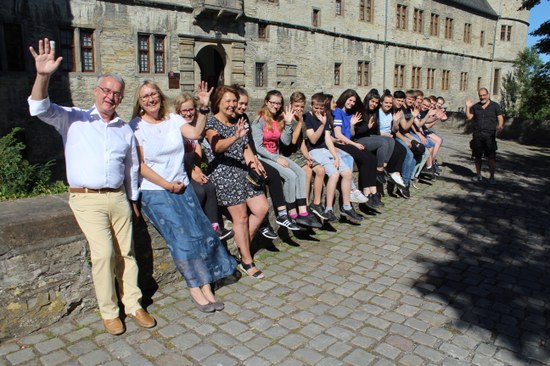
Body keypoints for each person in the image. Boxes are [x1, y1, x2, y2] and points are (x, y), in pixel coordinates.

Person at [28, 38, 155, 335]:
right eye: (106, 91)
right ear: (96, 92)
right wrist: (43, 75)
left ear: (121, 99)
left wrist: (132, 198)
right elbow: (38, 107)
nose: (110, 97)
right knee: (103, 254)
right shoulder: (73, 119)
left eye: (116, 93)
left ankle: (133, 304)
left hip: (118, 198)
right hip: (86, 199)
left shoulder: (125, 129)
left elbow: (131, 169)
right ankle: (110, 311)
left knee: (128, 253)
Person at [130, 80, 237, 313]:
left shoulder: (173, 119)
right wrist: (168, 184)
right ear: (139, 102)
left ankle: (207, 284)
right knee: (182, 240)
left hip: (183, 186)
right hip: (156, 190)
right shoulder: (136, 126)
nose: (150, 99)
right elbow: (140, 166)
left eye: (153, 94)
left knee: (201, 232)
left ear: (160, 96)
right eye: (145, 96)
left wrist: (204, 107)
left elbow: (196, 134)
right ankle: (195, 288)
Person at [205, 86, 269, 279]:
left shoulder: (238, 121)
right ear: (218, 102)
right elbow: (217, 147)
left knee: (261, 208)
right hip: (223, 173)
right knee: (240, 217)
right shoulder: (211, 123)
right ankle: (246, 260)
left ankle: (242, 246)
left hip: (242, 170)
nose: (233, 105)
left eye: (234, 101)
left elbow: (246, 148)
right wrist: (235, 136)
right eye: (228, 101)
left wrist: (254, 163)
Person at [252, 90, 320, 228]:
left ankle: (303, 213)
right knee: (290, 176)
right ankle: (292, 213)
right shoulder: (259, 121)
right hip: (264, 157)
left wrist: (288, 124)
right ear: (266, 102)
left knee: (301, 173)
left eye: (278, 103)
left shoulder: (278, 119)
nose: (276, 106)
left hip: (276, 155)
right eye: (273, 103)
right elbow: (258, 148)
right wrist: (276, 159)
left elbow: (286, 142)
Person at [174, 92, 233, 240]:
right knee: (199, 191)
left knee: (210, 187)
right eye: (184, 111)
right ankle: (197, 226)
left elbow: (197, 149)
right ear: (178, 112)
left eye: (191, 109)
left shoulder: (195, 127)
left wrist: (198, 168)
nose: (188, 113)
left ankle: (215, 227)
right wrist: (193, 170)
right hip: (180, 169)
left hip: (192, 167)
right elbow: (178, 156)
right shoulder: (177, 129)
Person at [304, 92, 362, 222]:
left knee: (347, 172)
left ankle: (346, 206)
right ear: (311, 106)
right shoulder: (307, 117)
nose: (319, 111)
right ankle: (328, 209)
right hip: (314, 151)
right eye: (316, 108)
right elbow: (313, 140)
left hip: (326, 150)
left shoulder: (326, 116)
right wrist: (321, 124)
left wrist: (335, 156)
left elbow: (327, 139)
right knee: (334, 174)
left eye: (321, 108)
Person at [332, 89, 383, 209]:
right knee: (364, 159)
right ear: (344, 98)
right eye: (350, 100)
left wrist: (352, 124)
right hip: (341, 143)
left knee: (372, 158)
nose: (351, 103)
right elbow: (338, 135)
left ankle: (373, 192)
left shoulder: (350, 114)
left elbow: (352, 134)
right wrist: (355, 145)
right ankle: (366, 192)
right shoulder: (338, 112)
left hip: (349, 142)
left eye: (354, 101)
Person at [466, 88, 504, 184]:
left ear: (488, 94)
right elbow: (469, 117)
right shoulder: (475, 107)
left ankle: (491, 177)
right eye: (480, 95)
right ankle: (478, 175)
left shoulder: (495, 106)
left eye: (484, 95)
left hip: (490, 136)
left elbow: (500, 117)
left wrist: (499, 126)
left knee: (491, 157)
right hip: (477, 136)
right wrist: (467, 107)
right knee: (477, 157)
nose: (482, 97)